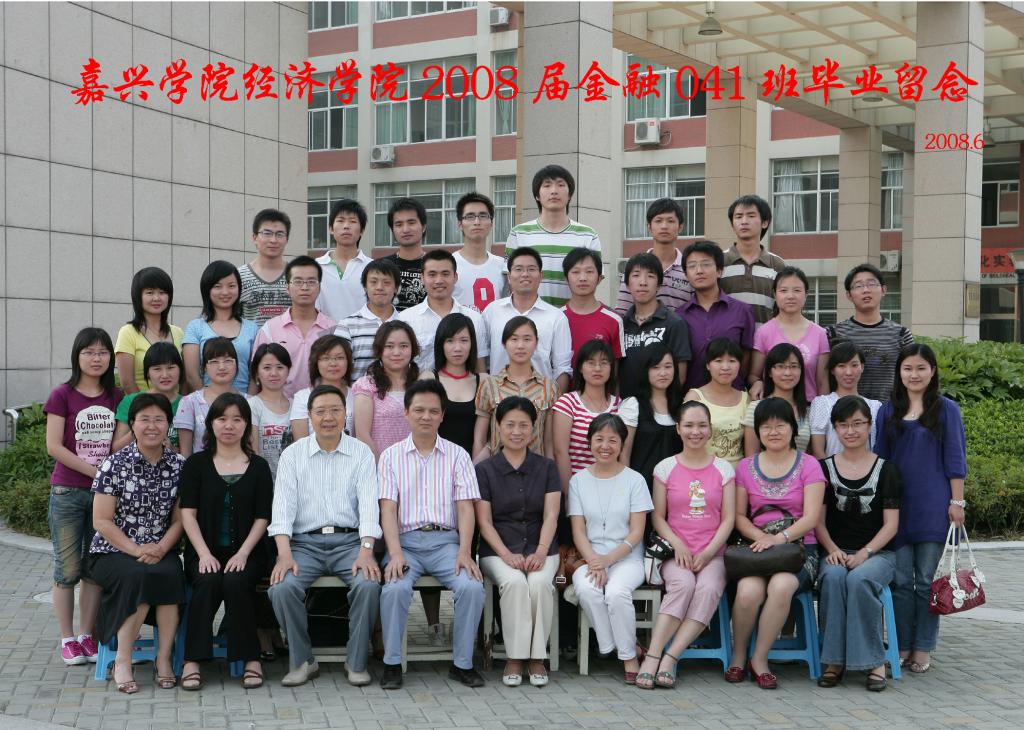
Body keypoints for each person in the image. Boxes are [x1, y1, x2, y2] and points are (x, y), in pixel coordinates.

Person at [267, 385, 383, 687]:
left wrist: (366, 550)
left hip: (350, 543)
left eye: (335, 410)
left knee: (368, 584)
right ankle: (303, 660)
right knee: (281, 588)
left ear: (345, 414)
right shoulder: (293, 455)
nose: (328, 417)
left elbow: (369, 507)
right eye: (320, 411)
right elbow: (282, 510)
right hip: (304, 545)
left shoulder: (361, 453)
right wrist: (284, 554)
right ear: (309, 415)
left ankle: (356, 661)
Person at [378, 380, 486, 690]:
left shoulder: (458, 456)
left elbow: (465, 508)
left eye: (433, 411)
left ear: (442, 415)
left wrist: (465, 551)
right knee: (394, 588)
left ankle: (462, 664)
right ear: (406, 413)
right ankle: (392, 664)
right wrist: (395, 553)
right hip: (406, 544)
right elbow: (388, 509)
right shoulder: (390, 456)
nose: (426, 416)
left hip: (446, 544)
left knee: (471, 587)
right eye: (419, 410)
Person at [874, 344, 966, 675]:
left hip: (933, 507)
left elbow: (955, 458)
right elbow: (880, 459)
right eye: (908, 368)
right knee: (900, 582)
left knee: (926, 582)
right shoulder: (888, 410)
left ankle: (923, 647)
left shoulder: (946, 409)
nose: (914, 375)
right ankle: (900, 646)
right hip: (896, 509)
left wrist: (957, 502)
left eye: (921, 368)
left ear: (932, 371)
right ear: (899, 372)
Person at [88, 393, 185, 694]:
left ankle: (163, 658)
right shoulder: (114, 464)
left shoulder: (179, 465)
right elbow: (101, 521)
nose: (152, 426)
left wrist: (161, 548)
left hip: (161, 547)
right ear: (132, 424)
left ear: (168, 424)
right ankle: (123, 660)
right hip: (112, 550)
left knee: (170, 574)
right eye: (144, 419)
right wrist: (136, 549)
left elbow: (180, 520)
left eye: (159, 419)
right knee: (138, 575)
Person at [636, 401, 735, 689]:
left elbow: (728, 519)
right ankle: (652, 656)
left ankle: (670, 658)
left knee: (708, 588)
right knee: (683, 585)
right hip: (674, 552)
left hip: (713, 554)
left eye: (702, 425)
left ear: (710, 429)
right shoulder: (665, 468)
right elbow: (658, 516)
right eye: (689, 425)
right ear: (678, 429)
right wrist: (678, 545)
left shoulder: (724, 469)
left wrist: (708, 551)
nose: (695, 431)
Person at [727, 397, 826, 689]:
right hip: (758, 550)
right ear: (757, 431)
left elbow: (811, 518)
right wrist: (762, 538)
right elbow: (739, 517)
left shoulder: (810, 465)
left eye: (780, 425)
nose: (773, 432)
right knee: (748, 590)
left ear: (793, 428)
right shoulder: (745, 467)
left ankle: (759, 659)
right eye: (766, 426)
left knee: (781, 586)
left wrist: (779, 538)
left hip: (799, 550)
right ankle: (738, 656)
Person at [179, 394, 273, 691]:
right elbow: (187, 514)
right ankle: (192, 660)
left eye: (237, 419)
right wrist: (203, 554)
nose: (229, 425)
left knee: (235, 581)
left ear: (246, 425)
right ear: (211, 424)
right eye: (222, 419)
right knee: (206, 581)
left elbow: (263, 517)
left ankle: (250, 658)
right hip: (204, 551)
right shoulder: (196, 464)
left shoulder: (258, 466)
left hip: (249, 552)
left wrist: (243, 553)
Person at [44, 328, 123, 667]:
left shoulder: (117, 396)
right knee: (67, 569)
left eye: (103, 352)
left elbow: (118, 442)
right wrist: (95, 472)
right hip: (68, 492)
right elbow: (53, 446)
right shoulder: (62, 395)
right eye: (89, 352)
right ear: (77, 356)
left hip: (103, 496)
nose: (96, 358)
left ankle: (87, 635)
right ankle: (67, 639)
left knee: (93, 569)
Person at [816, 395, 902, 692]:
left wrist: (865, 553)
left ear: (869, 426)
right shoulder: (823, 469)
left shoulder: (887, 469)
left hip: (879, 554)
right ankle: (834, 662)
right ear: (835, 429)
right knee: (833, 578)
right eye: (843, 425)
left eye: (857, 424)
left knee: (860, 579)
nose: (850, 431)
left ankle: (873, 662)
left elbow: (891, 525)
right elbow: (817, 521)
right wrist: (832, 550)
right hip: (835, 551)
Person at [475, 397, 561, 687]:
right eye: (509, 424)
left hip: (542, 546)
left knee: (539, 584)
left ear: (533, 428)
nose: (516, 431)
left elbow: (551, 515)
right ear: (498, 427)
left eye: (523, 425)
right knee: (514, 583)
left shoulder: (547, 468)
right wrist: (506, 555)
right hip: (498, 550)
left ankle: (536, 658)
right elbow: (485, 522)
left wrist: (541, 551)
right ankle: (514, 656)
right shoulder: (485, 470)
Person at [568, 414, 653, 684]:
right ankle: (620, 647)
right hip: (590, 557)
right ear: (589, 442)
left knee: (616, 592)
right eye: (599, 439)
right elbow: (578, 531)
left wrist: (608, 560)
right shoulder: (578, 481)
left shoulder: (635, 480)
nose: (605, 446)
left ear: (622, 444)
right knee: (586, 588)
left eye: (612, 440)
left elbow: (637, 532)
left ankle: (628, 657)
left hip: (627, 557)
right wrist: (595, 560)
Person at [504, 164, 601, 307]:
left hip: (572, 316)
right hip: (529, 315)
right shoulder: (518, 233)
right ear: (537, 195)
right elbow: (510, 281)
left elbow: (592, 280)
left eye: (560, 185)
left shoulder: (588, 235)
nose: (554, 191)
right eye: (547, 185)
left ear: (569, 195)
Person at [483, 247, 573, 392]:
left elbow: (562, 368)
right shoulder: (492, 312)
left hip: (541, 400)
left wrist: (555, 402)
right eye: (518, 269)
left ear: (541, 276)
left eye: (531, 269)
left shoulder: (556, 317)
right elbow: (482, 358)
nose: (525, 274)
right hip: (498, 399)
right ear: (509, 276)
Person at [473, 316, 559, 462]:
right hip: (498, 468)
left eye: (527, 339)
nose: (520, 346)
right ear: (504, 343)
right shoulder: (489, 385)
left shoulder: (549, 387)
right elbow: (479, 439)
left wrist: (550, 470)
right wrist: (478, 470)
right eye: (514, 339)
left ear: (536, 343)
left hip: (535, 469)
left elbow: (549, 442)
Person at [252, 255, 337, 399]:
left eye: (311, 282)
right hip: (280, 407)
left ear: (319, 287)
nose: (304, 287)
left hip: (322, 406)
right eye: (298, 281)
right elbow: (257, 374)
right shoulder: (269, 329)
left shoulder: (333, 329)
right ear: (287, 288)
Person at [676, 240, 756, 394]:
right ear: (686, 275)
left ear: (719, 271)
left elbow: (746, 357)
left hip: (733, 398)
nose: (699, 271)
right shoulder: (679, 316)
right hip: (692, 399)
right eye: (692, 266)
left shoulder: (742, 311)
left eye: (706, 264)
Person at [827, 264, 914, 402]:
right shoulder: (833, 333)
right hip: (844, 411)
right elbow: (823, 377)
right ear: (849, 295)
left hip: (888, 410)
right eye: (858, 286)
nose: (866, 290)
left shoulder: (901, 334)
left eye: (871, 284)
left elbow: (912, 374)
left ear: (884, 290)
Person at [398, 249, 488, 372]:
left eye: (445, 274)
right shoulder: (405, 319)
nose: (439, 280)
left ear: (455, 277)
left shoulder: (474, 319)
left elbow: (479, 368)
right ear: (422, 278)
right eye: (432, 274)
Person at [750, 266, 829, 401]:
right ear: (775, 294)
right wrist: (757, 382)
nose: (790, 296)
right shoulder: (764, 332)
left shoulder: (820, 334)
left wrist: (823, 409)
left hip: (809, 407)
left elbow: (822, 381)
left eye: (797, 290)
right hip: (774, 407)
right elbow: (753, 375)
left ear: (806, 294)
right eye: (783, 290)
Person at [552, 340, 622, 491]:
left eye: (604, 363)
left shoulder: (620, 406)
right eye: (591, 363)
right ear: (580, 368)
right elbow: (560, 452)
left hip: (612, 488)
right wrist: (570, 493)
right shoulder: (567, 402)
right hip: (577, 488)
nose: (597, 368)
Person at [620, 253, 690, 400]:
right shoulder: (621, 324)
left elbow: (680, 376)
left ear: (659, 284)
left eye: (650, 276)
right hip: (626, 407)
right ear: (627, 284)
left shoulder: (674, 323)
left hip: (661, 408)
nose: (643, 282)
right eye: (636, 275)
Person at [183, 260, 260, 393]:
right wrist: (206, 402)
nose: (225, 292)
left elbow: (255, 376)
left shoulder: (252, 328)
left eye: (231, 286)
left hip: (244, 402)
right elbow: (192, 376)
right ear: (207, 289)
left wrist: (248, 402)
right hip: (207, 403)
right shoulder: (195, 327)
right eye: (217, 286)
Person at [619, 343, 684, 489]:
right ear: (645, 370)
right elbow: (623, 454)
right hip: (641, 488)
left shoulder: (682, 405)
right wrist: (627, 490)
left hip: (677, 489)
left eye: (668, 366)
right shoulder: (633, 405)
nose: (663, 373)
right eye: (655, 367)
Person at [351, 321, 419, 461]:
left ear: (412, 349)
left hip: (418, 465)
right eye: (389, 346)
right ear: (379, 349)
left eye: (404, 346)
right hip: (378, 466)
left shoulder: (422, 383)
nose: (396, 352)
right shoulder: (366, 386)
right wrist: (382, 468)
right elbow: (363, 436)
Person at [615, 198, 694, 316]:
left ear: (680, 227)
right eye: (658, 221)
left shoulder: (690, 268)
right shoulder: (634, 267)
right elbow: (622, 312)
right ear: (649, 227)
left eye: (670, 221)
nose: (664, 226)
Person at [719, 195, 786, 327]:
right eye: (738, 217)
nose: (744, 221)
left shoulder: (777, 264)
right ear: (732, 224)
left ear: (764, 222)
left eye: (751, 216)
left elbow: (783, 309)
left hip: (765, 338)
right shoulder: (719, 261)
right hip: (727, 338)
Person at [115, 267, 184, 394]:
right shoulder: (128, 333)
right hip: (142, 404)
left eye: (162, 292)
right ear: (138, 296)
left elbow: (184, 379)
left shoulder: (178, 332)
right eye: (150, 292)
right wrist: (146, 405)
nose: (156, 298)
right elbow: (127, 383)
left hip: (176, 404)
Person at [809, 341, 883, 458]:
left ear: (862, 367)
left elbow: (877, 448)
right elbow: (818, 451)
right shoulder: (822, 403)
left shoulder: (875, 406)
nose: (848, 372)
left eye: (854, 365)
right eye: (841, 366)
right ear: (832, 370)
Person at [422, 313, 483, 457]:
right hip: (435, 461)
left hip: (473, 463)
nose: (457, 348)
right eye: (450, 341)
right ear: (441, 344)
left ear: (472, 343)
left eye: (464, 340)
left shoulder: (484, 381)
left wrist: (473, 467)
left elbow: (483, 438)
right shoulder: (429, 379)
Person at [685, 337, 749, 466]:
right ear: (708, 365)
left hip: (737, 473)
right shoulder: (695, 397)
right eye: (718, 361)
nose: (725, 367)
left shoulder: (746, 399)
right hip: (703, 471)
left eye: (732, 361)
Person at [334, 258, 401, 381]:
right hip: (357, 392)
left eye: (386, 282)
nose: (379, 287)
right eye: (373, 282)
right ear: (365, 287)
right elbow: (337, 368)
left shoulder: (407, 322)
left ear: (396, 288)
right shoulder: (347, 325)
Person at [742, 343, 812, 456]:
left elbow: (810, 456)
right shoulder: (755, 408)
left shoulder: (807, 411)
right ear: (769, 372)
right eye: (780, 366)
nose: (787, 373)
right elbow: (751, 457)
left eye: (794, 366)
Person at [175, 338, 239, 458]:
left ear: (236, 364)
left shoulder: (250, 402)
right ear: (204, 367)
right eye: (214, 361)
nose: (222, 367)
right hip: (200, 469)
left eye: (228, 361)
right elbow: (185, 454)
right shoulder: (190, 402)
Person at [561, 247, 625, 365]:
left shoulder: (614, 320)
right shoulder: (556, 318)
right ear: (566, 278)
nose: (582, 278)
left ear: (599, 278)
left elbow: (616, 368)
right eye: (576, 272)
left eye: (589, 272)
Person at [315, 198, 372, 322]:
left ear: (362, 230)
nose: (346, 226)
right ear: (331, 228)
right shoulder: (315, 267)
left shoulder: (373, 267)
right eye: (340, 221)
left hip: (363, 333)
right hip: (325, 333)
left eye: (353, 221)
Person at [290, 335, 354, 441]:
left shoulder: (356, 396)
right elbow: (300, 443)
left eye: (339, 358)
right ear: (316, 363)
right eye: (326, 358)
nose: (333, 363)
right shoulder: (302, 398)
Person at [453, 192, 508, 311]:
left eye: (483, 216)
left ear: (491, 223)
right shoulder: (450, 264)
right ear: (460, 224)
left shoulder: (502, 265)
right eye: (470, 216)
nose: (477, 222)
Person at [247, 343, 293, 478]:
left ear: (288, 371)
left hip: (292, 481)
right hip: (263, 480)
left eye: (280, 367)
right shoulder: (252, 406)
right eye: (267, 367)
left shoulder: (297, 406)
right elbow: (253, 452)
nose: (274, 373)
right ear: (257, 373)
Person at [239, 209, 292, 326]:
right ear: (254, 237)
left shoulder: (296, 275)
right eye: (267, 233)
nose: (273, 240)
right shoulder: (239, 276)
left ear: (287, 239)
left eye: (280, 234)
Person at [383, 197, 427, 312]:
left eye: (411, 223)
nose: (405, 229)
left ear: (423, 227)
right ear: (392, 230)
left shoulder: (435, 266)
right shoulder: (382, 266)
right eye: (399, 224)